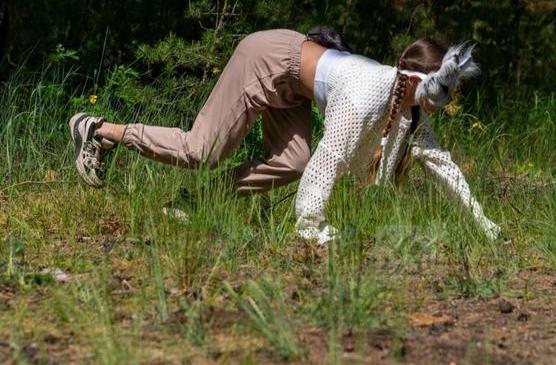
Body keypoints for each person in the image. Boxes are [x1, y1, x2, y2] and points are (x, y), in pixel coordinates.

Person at [69, 26, 500, 245]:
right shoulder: (371, 92)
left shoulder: (406, 111)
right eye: (446, 89)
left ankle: (193, 201)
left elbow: (442, 164)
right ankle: (99, 130)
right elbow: (329, 159)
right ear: (422, 81)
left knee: (292, 161)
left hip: (294, 86)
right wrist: (311, 226)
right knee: (201, 150)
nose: (448, 99)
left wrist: (484, 224)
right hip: (270, 58)